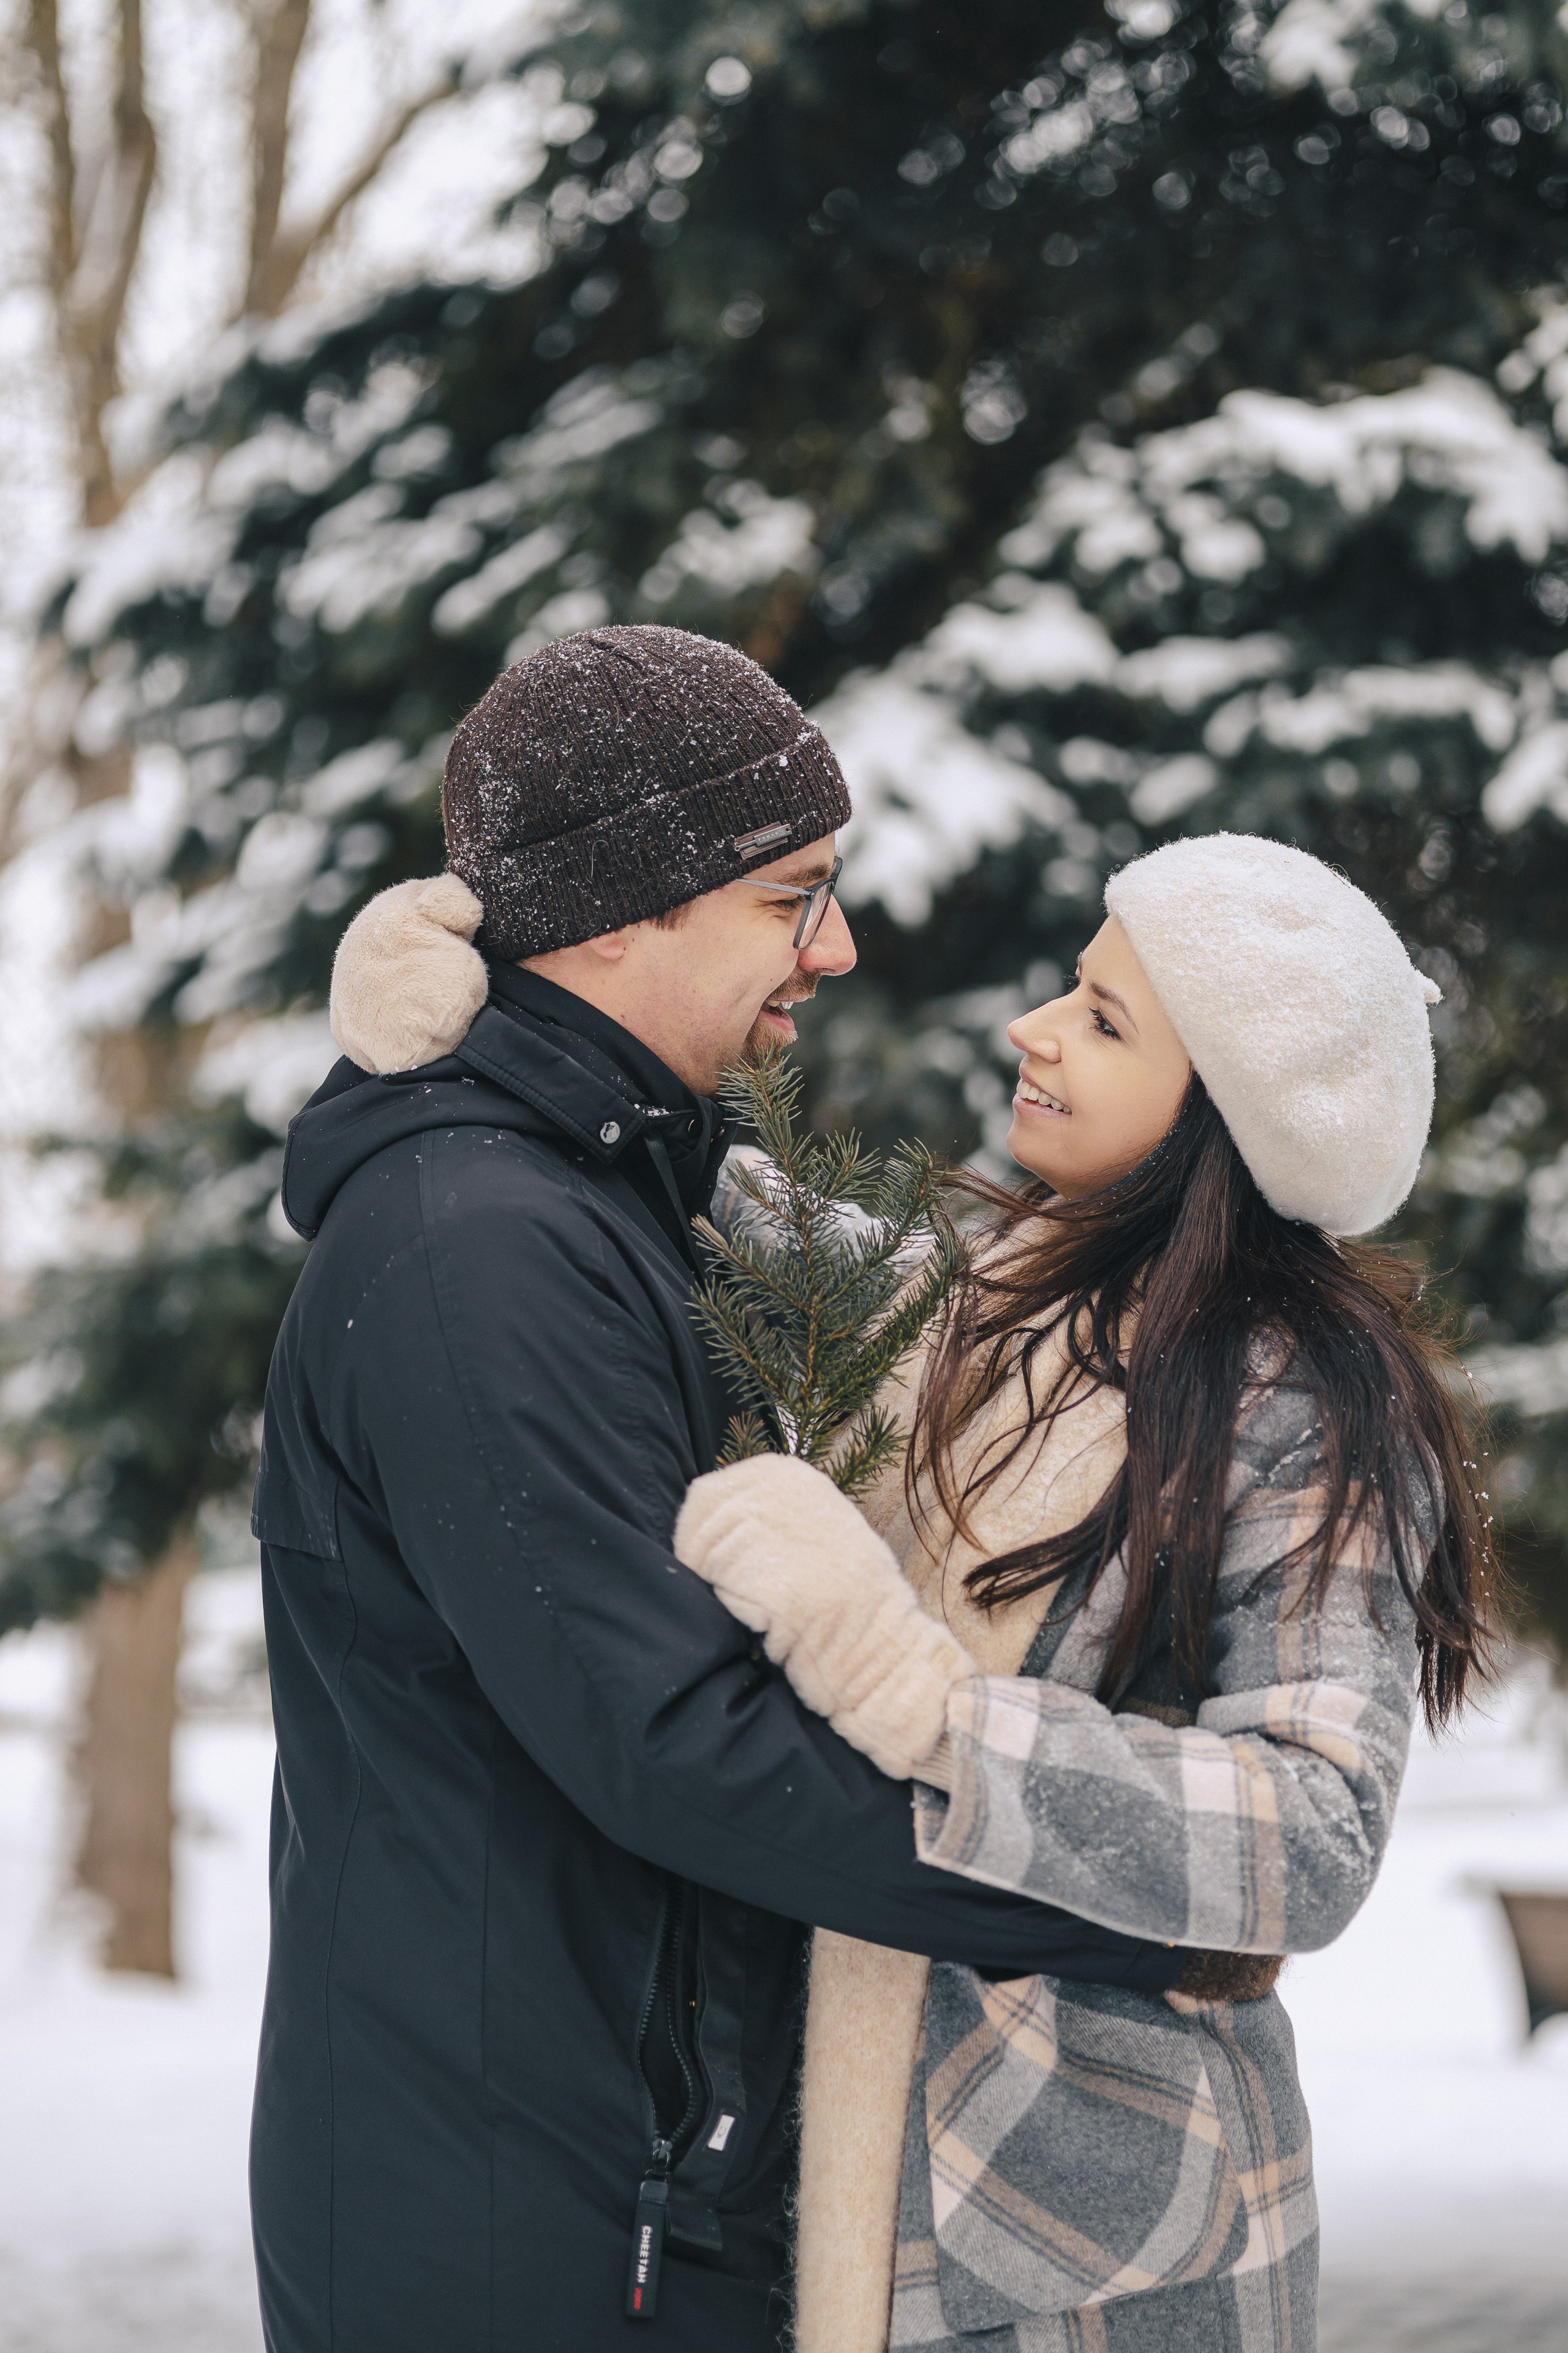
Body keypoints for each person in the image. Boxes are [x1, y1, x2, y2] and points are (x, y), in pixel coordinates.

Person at [252, 625, 1180, 2353]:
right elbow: (668, 1740)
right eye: (788, 897)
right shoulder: (480, 1248)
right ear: (617, 910)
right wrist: (1122, 1895)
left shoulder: (619, 1192)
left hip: (620, 2181)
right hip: (516, 2235)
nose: (836, 947)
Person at [674, 832, 1498, 2353]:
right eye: (1072, 986)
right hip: (897, 2157)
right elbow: (761, 1231)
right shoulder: (1006, 1300)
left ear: (1223, 1113)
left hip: (1094, 2233)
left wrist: (930, 1709)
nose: (1031, 1028)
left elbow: (1312, 1829)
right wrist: (506, 1019)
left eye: (1104, 1021)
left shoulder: (1299, 1398)